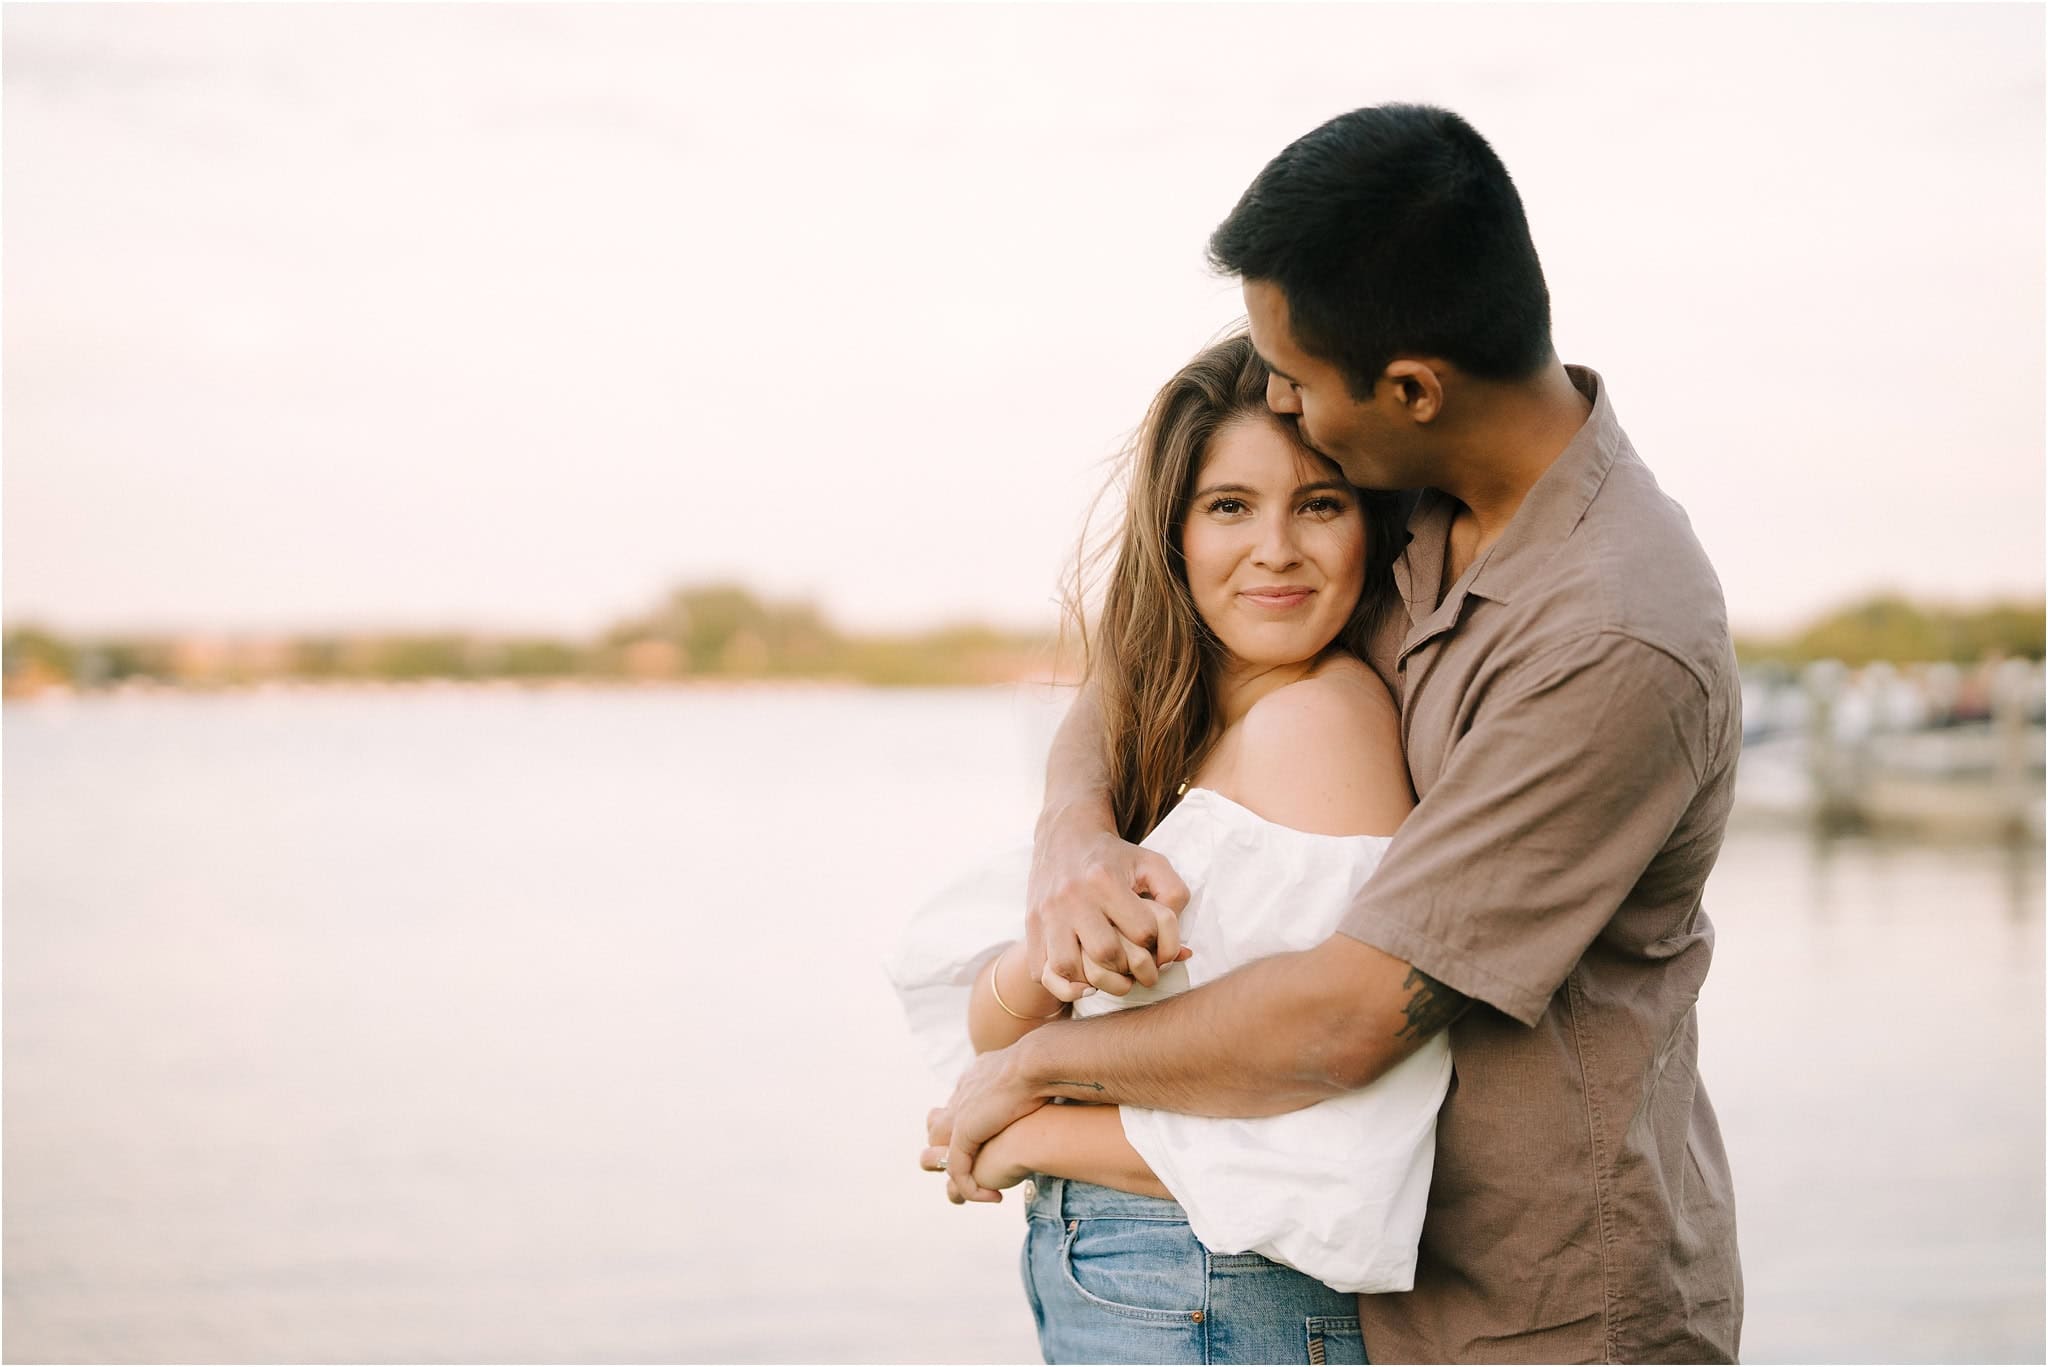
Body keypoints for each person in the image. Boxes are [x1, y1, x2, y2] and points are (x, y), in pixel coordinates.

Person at [926, 103, 1744, 1363]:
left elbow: (1343, 1016)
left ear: (1411, 387)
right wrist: (1074, 832)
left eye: (1298, 384)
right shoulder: (1409, 490)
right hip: (1360, 1276)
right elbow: (1167, 643)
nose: (1284, 406)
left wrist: (1041, 1071)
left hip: (1537, 1311)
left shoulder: (1611, 638)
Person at [889, 332, 1449, 1364]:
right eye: (1229, 505)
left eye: (1318, 503)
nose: (1274, 547)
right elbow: (986, 1032)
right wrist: (1055, 947)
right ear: (1175, 535)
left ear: (1366, 528)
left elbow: (1342, 1144)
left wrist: (1023, 1130)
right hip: (1158, 1291)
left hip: (1217, 1299)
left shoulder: (1319, 726)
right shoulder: (1194, 728)